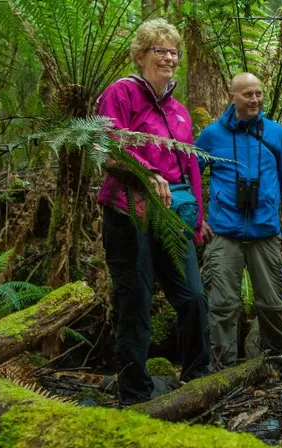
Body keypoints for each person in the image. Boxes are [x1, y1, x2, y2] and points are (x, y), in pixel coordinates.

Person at [97, 18, 211, 406]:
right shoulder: (122, 93)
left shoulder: (178, 110)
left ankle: (198, 376)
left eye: (173, 51)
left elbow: (190, 164)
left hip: (175, 215)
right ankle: (134, 394)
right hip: (129, 212)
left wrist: (197, 218)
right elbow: (108, 143)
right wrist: (145, 172)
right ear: (141, 54)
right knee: (136, 302)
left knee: (194, 297)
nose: (168, 57)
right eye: (159, 50)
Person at [196, 73, 282, 380]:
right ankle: (222, 371)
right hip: (224, 233)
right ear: (232, 97)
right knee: (222, 305)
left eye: (258, 93)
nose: (255, 99)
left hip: (265, 232)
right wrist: (196, 217)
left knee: (272, 304)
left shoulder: (275, 133)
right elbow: (190, 175)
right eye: (247, 94)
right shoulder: (211, 136)